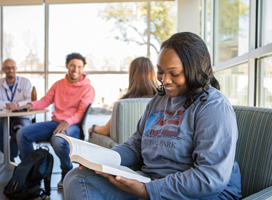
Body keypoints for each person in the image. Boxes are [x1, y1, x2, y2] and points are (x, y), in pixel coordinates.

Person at [63, 32, 242, 200]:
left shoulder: (213, 106)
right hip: (152, 181)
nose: (165, 80)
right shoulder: (159, 101)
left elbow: (209, 177)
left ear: (195, 70)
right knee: (77, 178)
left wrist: (148, 191)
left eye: (174, 73)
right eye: (160, 72)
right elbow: (136, 145)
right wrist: (101, 160)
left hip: (203, 193)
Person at [16, 52, 95, 188]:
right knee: (22, 133)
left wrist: (67, 122)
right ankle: (32, 171)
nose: (75, 69)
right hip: (55, 123)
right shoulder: (58, 84)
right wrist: (31, 105)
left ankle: (66, 171)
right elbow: (45, 101)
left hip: (73, 126)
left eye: (79, 67)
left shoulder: (88, 88)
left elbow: (80, 113)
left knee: (57, 139)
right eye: (72, 66)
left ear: (82, 69)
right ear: (67, 66)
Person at [88, 57, 158, 136]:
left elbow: (105, 131)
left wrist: (93, 127)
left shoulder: (124, 103)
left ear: (132, 75)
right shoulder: (161, 99)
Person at [0, 59, 32, 162]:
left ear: (16, 69)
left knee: (20, 131)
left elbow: (30, 101)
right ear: (3, 69)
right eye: (7, 68)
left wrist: (17, 105)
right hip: (4, 119)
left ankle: (25, 164)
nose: (11, 70)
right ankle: (10, 156)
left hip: (22, 117)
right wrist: (7, 104)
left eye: (13, 67)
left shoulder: (25, 82)